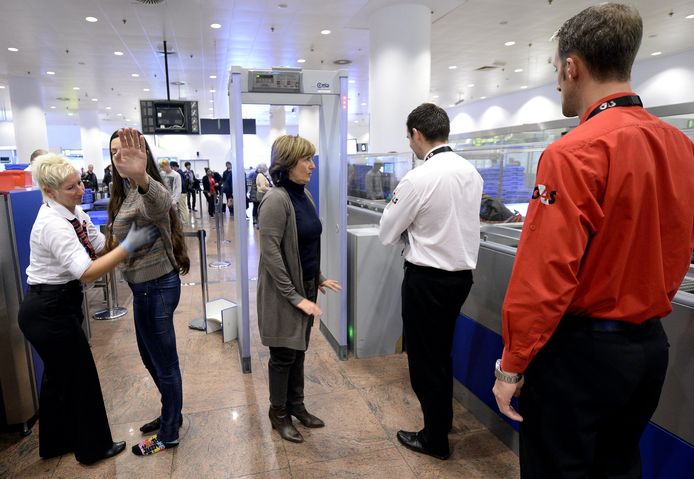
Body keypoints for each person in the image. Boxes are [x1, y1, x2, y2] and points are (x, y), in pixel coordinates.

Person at [491, 4, 694, 478]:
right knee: (619, 465)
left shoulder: (573, 151)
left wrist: (512, 364)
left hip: (580, 356)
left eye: (556, 71)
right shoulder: (681, 147)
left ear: (571, 65)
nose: (558, 83)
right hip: (648, 349)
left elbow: (545, 274)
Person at [18, 153, 157, 465]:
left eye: (80, 182)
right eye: (71, 187)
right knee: (81, 379)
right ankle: (94, 448)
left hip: (58, 305)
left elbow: (98, 245)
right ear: (49, 192)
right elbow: (87, 271)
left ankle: (56, 443)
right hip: (47, 309)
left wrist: (124, 234)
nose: (80, 190)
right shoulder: (52, 224)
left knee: (57, 379)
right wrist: (128, 246)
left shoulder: (73, 212)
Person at [379, 103, 483, 460]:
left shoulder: (418, 178)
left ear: (417, 135)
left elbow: (387, 231)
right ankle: (443, 421)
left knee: (424, 360)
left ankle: (434, 438)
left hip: (427, 281)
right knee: (441, 354)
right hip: (460, 280)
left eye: (409, 138)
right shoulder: (471, 172)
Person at [107, 128, 190, 456]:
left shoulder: (146, 188)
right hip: (143, 288)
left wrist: (142, 175)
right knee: (150, 357)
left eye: (125, 151)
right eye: (114, 152)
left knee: (165, 363)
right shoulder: (125, 191)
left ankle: (170, 432)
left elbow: (161, 204)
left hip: (156, 286)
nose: (119, 158)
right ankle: (172, 412)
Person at [257, 135, 341, 443]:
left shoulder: (305, 196)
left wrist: (317, 278)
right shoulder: (276, 200)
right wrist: (294, 296)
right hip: (283, 293)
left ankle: (296, 405)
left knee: (298, 350)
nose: (312, 165)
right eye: (306, 159)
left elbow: (305, 245)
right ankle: (278, 412)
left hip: (305, 288)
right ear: (288, 163)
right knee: (283, 355)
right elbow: (271, 254)